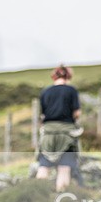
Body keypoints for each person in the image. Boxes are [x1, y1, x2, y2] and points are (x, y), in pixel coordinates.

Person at [36, 64, 81, 192]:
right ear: (68, 76)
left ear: (54, 76)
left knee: (43, 167)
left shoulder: (45, 92)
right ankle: (61, 200)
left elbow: (42, 114)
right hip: (66, 134)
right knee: (64, 168)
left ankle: (36, 196)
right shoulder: (71, 90)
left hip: (48, 133)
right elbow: (76, 113)